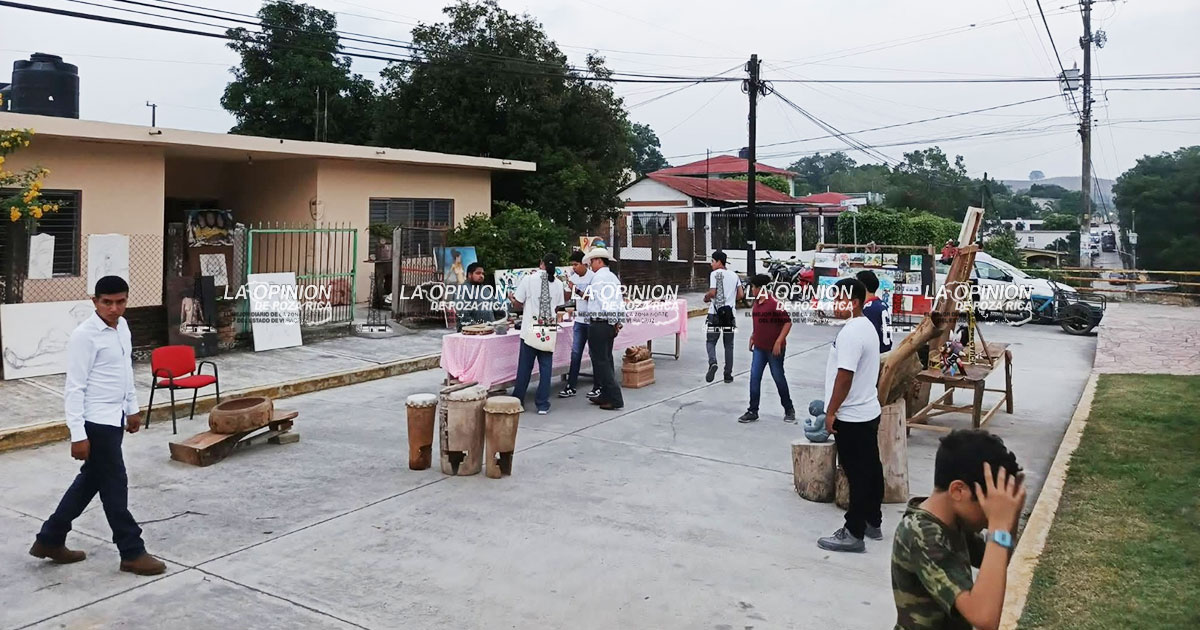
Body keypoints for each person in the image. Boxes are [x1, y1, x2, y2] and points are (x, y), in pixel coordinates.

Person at [30, 276, 166, 576]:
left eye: (120, 302)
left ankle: (50, 538)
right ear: (95, 302)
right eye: (107, 302)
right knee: (115, 485)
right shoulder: (84, 336)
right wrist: (78, 435)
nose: (114, 309)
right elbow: (74, 388)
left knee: (91, 481)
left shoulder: (123, 328)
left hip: (114, 418)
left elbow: (124, 371)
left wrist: (132, 409)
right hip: (95, 423)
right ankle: (132, 551)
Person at [892, 430, 1026, 630]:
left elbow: (998, 562)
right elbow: (984, 616)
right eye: (987, 509)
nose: (990, 519)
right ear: (958, 491)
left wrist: (1009, 520)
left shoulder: (954, 522)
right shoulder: (921, 534)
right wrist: (999, 526)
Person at [817, 277, 884, 553]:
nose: (834, 304)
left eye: (838, 298)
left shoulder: (851, 333)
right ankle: (872, 521)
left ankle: (854, 531)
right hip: (867, 410)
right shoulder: (865, 326)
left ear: (853, 302)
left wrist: (831, 412)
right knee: (871, 468)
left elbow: (844, 377)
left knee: (857, 474)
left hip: (852, 416)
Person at [509, 254, 565, 415]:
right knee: (546, 367)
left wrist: (512, 299)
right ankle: (542, 404)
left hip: (529, 328)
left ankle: (518, 400)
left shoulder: (528, 279)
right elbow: (558, 308)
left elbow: (518, 303)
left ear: (541, 263)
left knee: (525, 367)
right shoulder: (558, 283)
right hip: (547, 326)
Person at [739, 274, 796, 424]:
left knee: (778, 377)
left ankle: (789, 409)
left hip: (774, 350)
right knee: (754, 377)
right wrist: (753, 335)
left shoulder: (774, 303)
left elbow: (787, 323)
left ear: (760, 288)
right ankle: (753, 410)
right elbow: (759, 322)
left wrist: (779, 341)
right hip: (759, 348)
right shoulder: (757, 303)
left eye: (753, 287)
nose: (751, 290)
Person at [582, 247, 624, 410]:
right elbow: (619, 302)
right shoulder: (613, 278)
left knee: (601, 362)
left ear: (599, 260)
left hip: (600, 322)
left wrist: (614, 321)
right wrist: (617, 322)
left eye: (592, 261)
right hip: (608, 323)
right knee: (606, 359)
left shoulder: (599, 279)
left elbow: (606, 302)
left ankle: (614, 397)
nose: (591, 265)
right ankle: (606, 394)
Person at [560, 250, 600, 400]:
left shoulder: (593, 278)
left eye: (576, 264)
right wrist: (566, 287)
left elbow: (591, 297)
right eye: (572, 265)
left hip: (592, 320)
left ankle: (598, 386)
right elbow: (568, 298)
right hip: (579, 321)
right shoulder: (573, 277)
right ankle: (571, 385)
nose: (574, 268)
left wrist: (575, 288)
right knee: (575, 353)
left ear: (584, 264)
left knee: (594, 354)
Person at [704, 250, 742, 384]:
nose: (711, 264)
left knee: (711, 341)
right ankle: (728, 374)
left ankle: (713, 362)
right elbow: (740, 295)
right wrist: (730, 301)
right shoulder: (734, 276)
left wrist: (706, 297)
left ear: (719, 261)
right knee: (729, 345)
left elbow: (713, 293)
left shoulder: (714, 274)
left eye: (712, 261)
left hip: (715, 314)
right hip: (729, 315)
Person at [456, 262, 501, 331]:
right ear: (469, 275)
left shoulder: (486, 290)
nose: (481, 276)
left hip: (489, 331)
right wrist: (478, 328)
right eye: (478, 273)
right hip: (470, 333)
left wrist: (508, 316)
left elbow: (497, 306)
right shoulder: (462, 290)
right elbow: (463, 315)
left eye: (482, 274)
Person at [857, 270, 894, 354]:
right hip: (886, 350)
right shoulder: (882, 304)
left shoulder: (869, 308)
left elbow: (867, 337)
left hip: (876, 355)